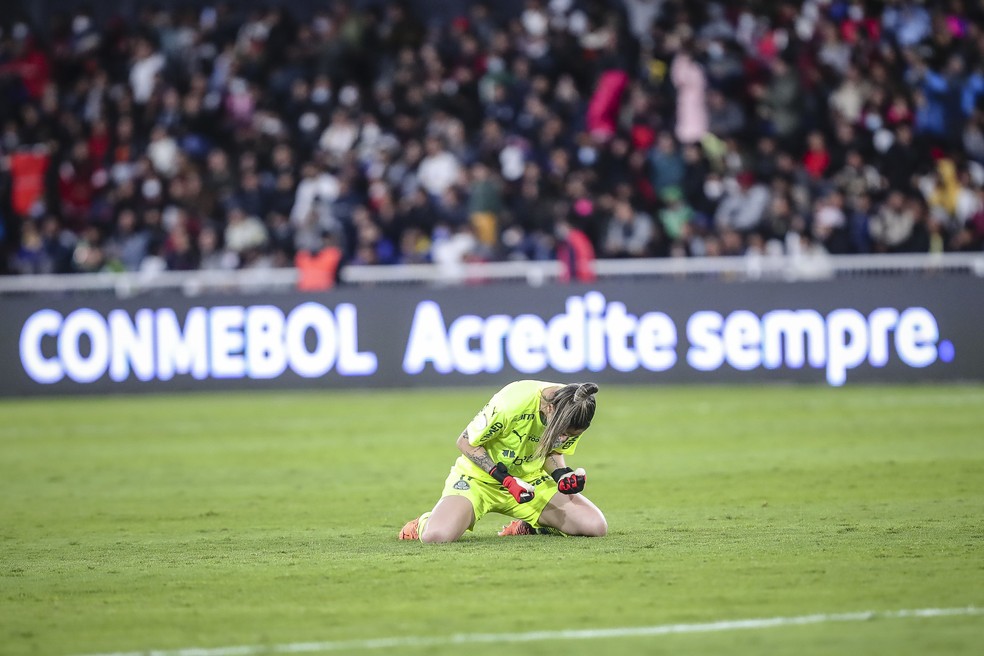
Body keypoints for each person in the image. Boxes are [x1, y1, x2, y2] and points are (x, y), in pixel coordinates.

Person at [398, 381, 607, 542]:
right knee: (436, 537)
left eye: (569, 436)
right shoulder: (511, 403)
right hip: (479, 481)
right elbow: (465, 442)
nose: (563, 439)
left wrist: (561, 475)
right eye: (561, 433)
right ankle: (422, 525)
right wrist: (507, 481)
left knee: (596, 526)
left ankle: (532, 526)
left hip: (530, 483)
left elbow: (551, 451)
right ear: (550, 409)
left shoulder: (576, 407)